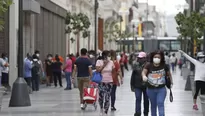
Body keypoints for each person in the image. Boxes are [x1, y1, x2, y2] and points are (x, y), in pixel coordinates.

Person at [142, 50, 173, 116]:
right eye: (155, 57)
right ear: (152, 57)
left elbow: (169, 74)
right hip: (150, 89)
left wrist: (171, 82)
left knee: (160, 103)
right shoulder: (148, 65)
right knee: (153, 105)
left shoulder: (164, 66)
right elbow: (143, 72)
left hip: (161, 89)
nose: (157, 58)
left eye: (159, 57)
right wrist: (144, 76)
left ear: (161, 58)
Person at [96, 50, 115, 115]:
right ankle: (101, 108)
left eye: (109, 55)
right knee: (101, 97)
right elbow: (97, 71)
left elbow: (113, 71)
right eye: (108, 55)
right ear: (104, 56)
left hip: (109, 82)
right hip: (101, 82)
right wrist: (104, 64)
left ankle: (105, 110)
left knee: (107, 97)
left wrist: (115, 80)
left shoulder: (111, 62)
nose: (109, 57)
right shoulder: (99, 61)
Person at [131, 52, 149, 116]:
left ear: (145, 58)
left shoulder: (148, 65)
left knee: (146, 100)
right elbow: (133, 76)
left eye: (141, 58)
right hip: (137, 85)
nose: (139, 59)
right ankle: (137, 112)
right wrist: (132, 85)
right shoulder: (135, 65)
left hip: (146, 86)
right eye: (138, 58)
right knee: (138, 98)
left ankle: (146, 112)